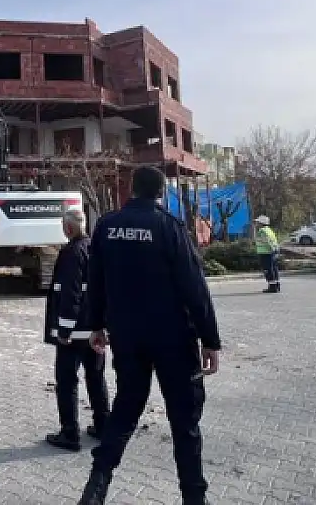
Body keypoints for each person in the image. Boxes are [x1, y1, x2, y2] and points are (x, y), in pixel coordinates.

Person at [78, 166, 222, 505]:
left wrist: (95, 324)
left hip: (127, 337)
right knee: (184, 421)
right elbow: (194, 288)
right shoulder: (169, 227)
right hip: (173, 338)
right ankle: (194, 498)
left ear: (132, 189)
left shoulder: (107, 226)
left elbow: (94, 280)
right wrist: (210, 340)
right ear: (160, 193)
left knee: (125, 410)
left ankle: (96, 488)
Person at [43, 207, 109, 451]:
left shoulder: (71, 253)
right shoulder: (95, 249)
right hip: (94, 331)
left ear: (68, 228)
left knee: (66, 381)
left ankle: (70, 433)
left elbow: (69, 294)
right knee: (96, 377)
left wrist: (64, 330)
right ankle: (103, 426)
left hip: (73, 335)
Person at [254, 215, 281, 293]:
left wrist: (271, 249)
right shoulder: (269, 230)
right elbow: (273, 241)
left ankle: (272, 287)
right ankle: (277, 285)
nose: (256, 223)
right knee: (274, 269)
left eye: (257, 222)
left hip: (266, 253)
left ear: (261, 223)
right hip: (272, 252)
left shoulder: (262, 231)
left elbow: (267, 242)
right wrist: (275, 251)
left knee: (268, 270)